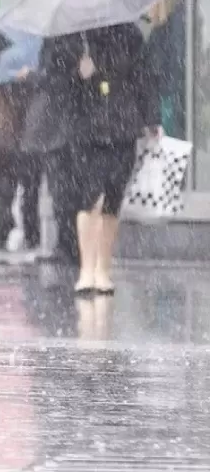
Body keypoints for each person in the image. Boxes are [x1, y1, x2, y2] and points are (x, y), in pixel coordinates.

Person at [60, 24, 158, 295]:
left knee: (113, 198)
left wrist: (151, 118)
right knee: (89, 197)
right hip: (86, 130)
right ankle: (86, 270)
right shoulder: (75, 37)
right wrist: (78, 75)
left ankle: (103, 269)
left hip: (122, 126)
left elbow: (143, 77)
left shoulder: (130, 35)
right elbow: (54, 83)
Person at [23, 37, 82, 264]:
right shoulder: (76, 40)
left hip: (59, 127)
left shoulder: (59, 43)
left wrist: (32, 76)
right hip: (68, 126)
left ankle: (68, 245)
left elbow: (55, 79)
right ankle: (69, 244)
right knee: (66, 188)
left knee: (62, 189)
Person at [0, 75, 42, 251]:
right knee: (29, 191)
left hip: (7, 140)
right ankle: (30, 233)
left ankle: (5, 228)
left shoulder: (1, 71)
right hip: (26, 140)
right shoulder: (35, 72)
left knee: (6, 190)